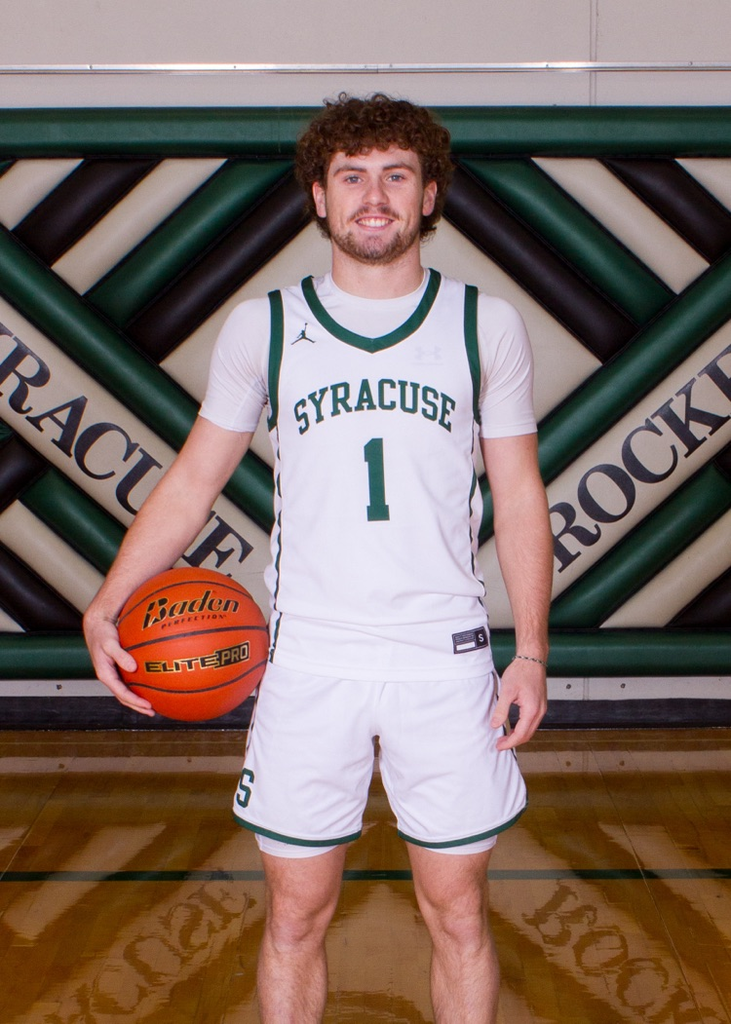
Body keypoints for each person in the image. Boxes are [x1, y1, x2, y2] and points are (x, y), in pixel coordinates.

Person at [83, 92, 553, 1023]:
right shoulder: (262, 326)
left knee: (458, 912)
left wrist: (531, 651)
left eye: (395, 176)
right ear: (318, 196)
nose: (373, 197)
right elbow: (193, 480)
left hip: (443, 659)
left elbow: (519, 496)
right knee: (294, 916)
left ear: (428, 195)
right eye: (351, 177)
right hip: (308, 659)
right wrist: (109, 600)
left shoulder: (482, 324)